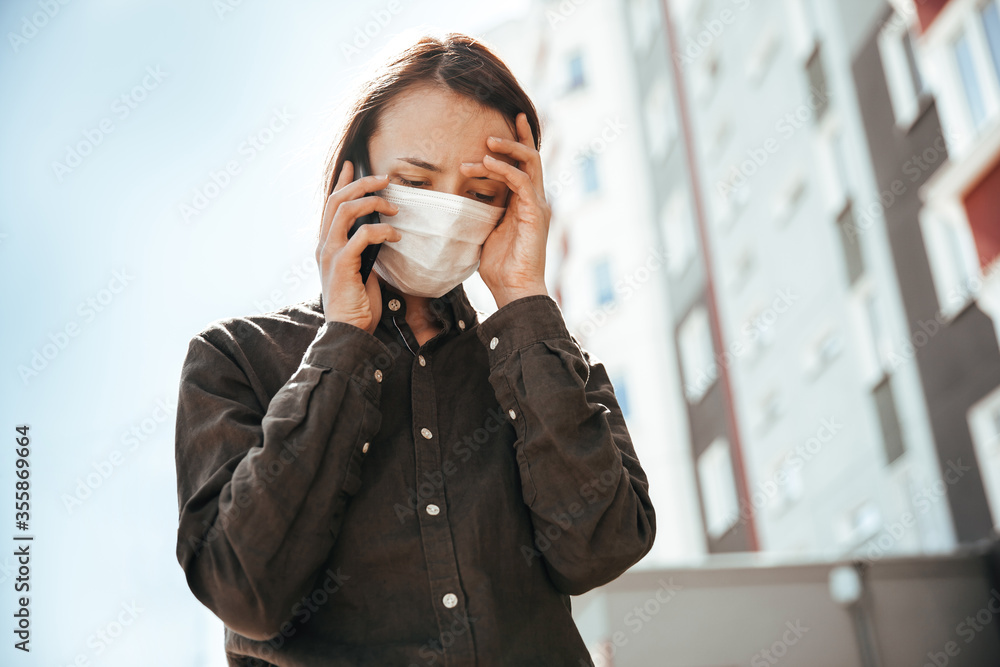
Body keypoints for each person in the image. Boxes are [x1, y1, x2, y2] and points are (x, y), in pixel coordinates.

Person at [173, 33, 656, 667]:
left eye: (480, 193)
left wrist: (522, 295)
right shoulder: (236, 358)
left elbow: (602, 548)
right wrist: (344, 344)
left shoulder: (546, 364)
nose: (450, 210)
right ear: (353, 178)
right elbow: (244, 589)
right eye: (415, 180)